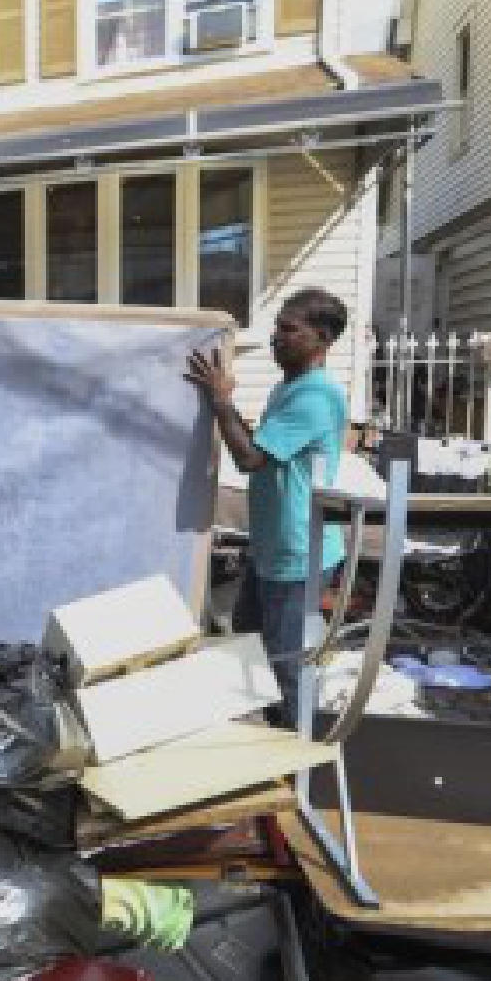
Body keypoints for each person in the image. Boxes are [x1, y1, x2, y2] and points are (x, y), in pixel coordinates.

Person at [186, 288, 350, 722]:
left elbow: (249, 458)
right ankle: (275, 745)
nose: (277, 336)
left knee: (286, 667)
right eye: (277, 326)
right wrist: (227, 405)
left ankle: (299, 766)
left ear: (322, 337)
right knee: (249, 646)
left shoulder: (315, 397)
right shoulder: (288, 389)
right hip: (273, 548)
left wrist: (221, 401)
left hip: (298, 556)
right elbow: (259, 445)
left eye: (288, 328)